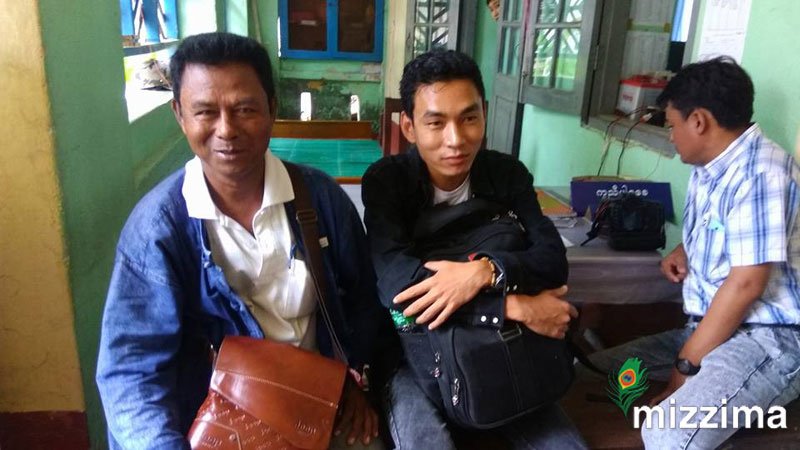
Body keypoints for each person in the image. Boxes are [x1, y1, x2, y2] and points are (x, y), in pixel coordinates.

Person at [96, 32, 397, 450]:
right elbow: (131, 371)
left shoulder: (320, 200)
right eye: (205, 111)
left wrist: (355, 382)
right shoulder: (158, 230)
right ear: (179, 114)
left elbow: (365, 301)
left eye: (245, 109)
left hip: (319, 404)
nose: (227, 130)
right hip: (220, 421)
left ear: (272, 109)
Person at [361, 49, 586, 449]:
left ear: (485, 113)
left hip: (502, 349)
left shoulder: (506, 174)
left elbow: (552, 261)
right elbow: (400, 289)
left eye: (469, 118)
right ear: (409, 127)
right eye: (436, 123)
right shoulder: (387, 183)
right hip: (411, 356)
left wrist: (486, 271)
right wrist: (510, 307)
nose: (456, 139)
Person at [589, 57, 800, 448]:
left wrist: (687, 364)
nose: (670, 136)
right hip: (711, 327)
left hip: (768, 339)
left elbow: (746, 284)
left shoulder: (761, 173)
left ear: (699, 121)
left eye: (672, 125)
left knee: (667, 432)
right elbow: (726, 226)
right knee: (591, 372)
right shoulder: (713, 164)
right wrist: (686, 249)